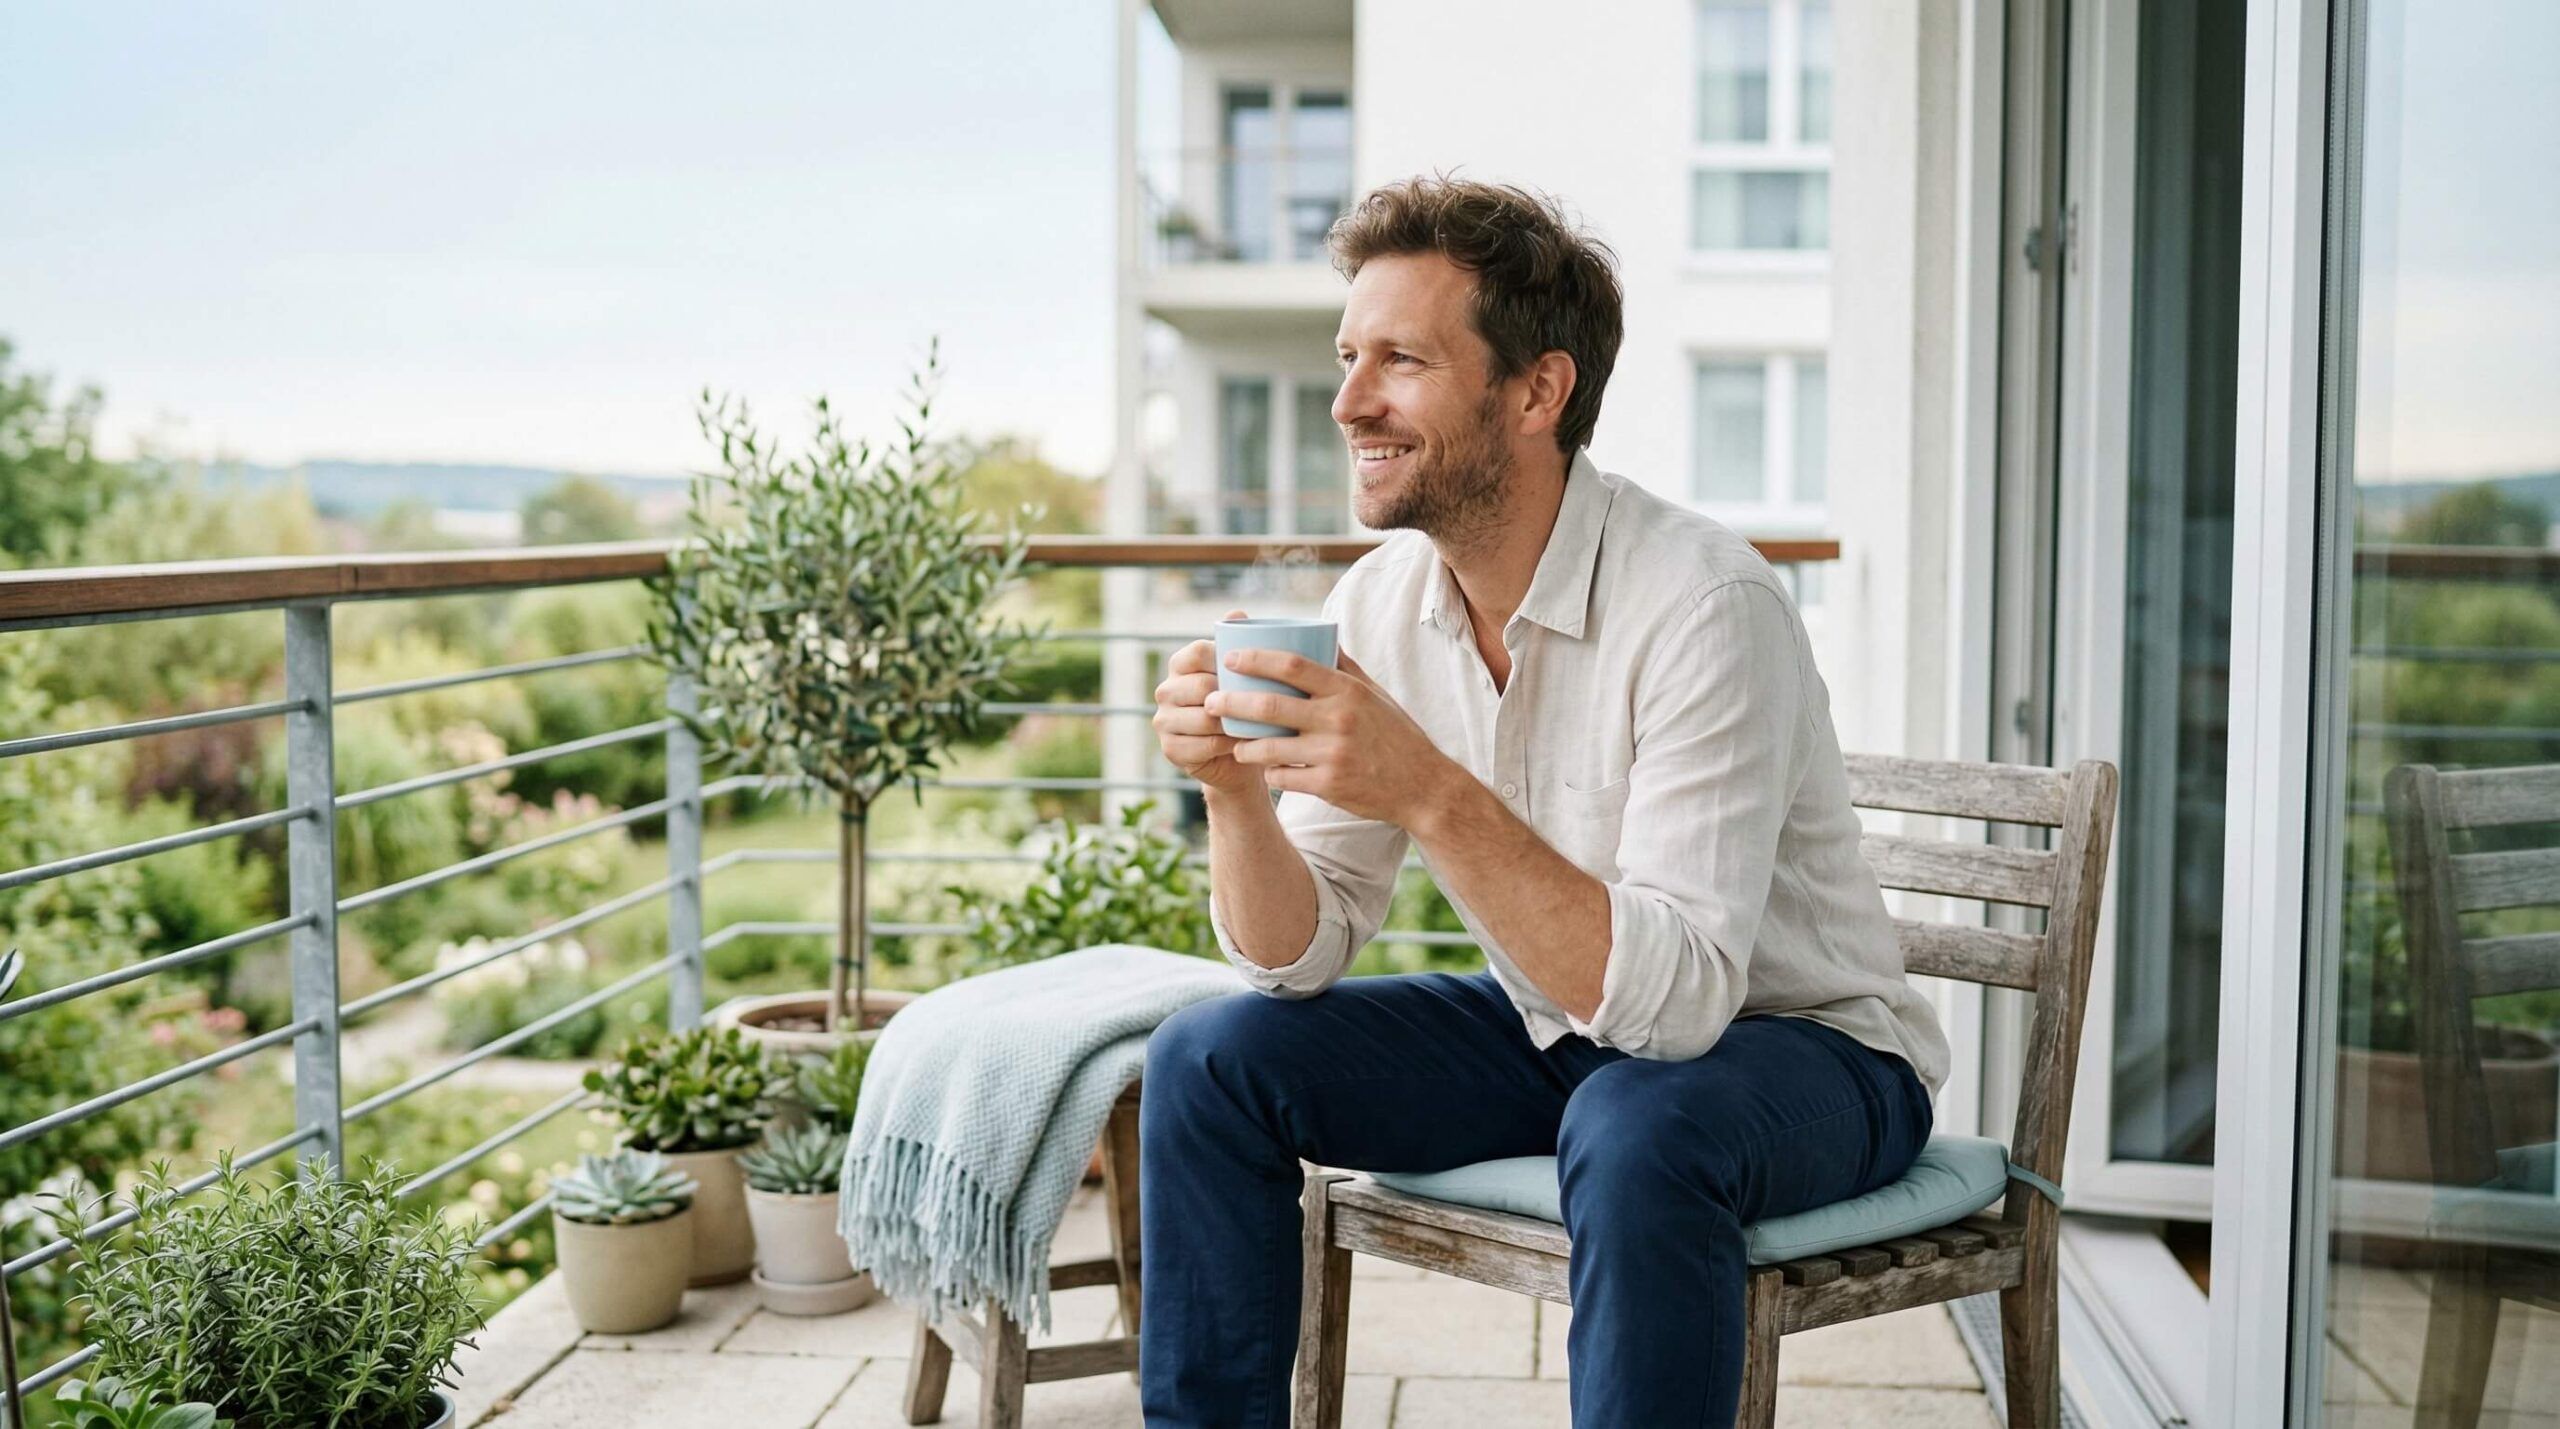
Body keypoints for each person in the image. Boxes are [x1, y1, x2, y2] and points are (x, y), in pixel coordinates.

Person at [1140, 176, 1950, 1428]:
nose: (1350, 400)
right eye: (1349, 357)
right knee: (1211, 1057)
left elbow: (1680, 1004)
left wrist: (1424, 787)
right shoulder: (1378, 605)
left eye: (1401, 360)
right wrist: (1233, 795)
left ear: (1536, 391)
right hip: (1566, 1029)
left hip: (1811, 1050)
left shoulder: (1703, 606)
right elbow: (1295, 963)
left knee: (1637, 1124)